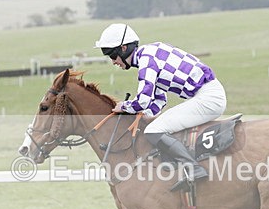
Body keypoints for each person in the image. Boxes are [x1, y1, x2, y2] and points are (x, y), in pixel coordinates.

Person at [95, 23, 227, 191]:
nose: (113, 62)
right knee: (154, 126)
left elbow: (142, 100)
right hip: (208, 95)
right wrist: (143, 117)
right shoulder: (149, 54)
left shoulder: (146, 61)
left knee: (154, 131)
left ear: (124, 48)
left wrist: (124, 106)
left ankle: (194, 169)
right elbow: (159, 100)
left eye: (112, 55)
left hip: (209, 98)